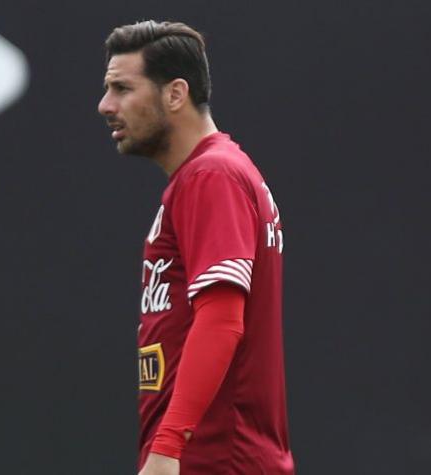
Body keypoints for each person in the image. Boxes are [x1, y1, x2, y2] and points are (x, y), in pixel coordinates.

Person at [97, 21, 294, 474]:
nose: (105, 105)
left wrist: (167, 448)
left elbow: (223, 320)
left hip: (217, 458)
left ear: (175, 93)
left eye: (122, 88)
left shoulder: (213, 175)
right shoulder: (210, 174)